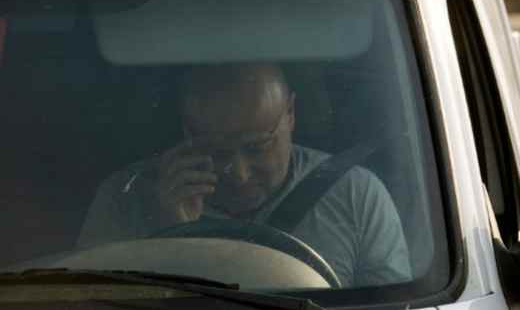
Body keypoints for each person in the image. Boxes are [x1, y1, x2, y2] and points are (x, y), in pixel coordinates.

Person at [79, 62, 411, 287]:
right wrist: (170, 239)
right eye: (217, 151)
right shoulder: (125, 201)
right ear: (187, 130)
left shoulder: (356, 196)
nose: (239, 174)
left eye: (257, 148)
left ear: (290, 114)